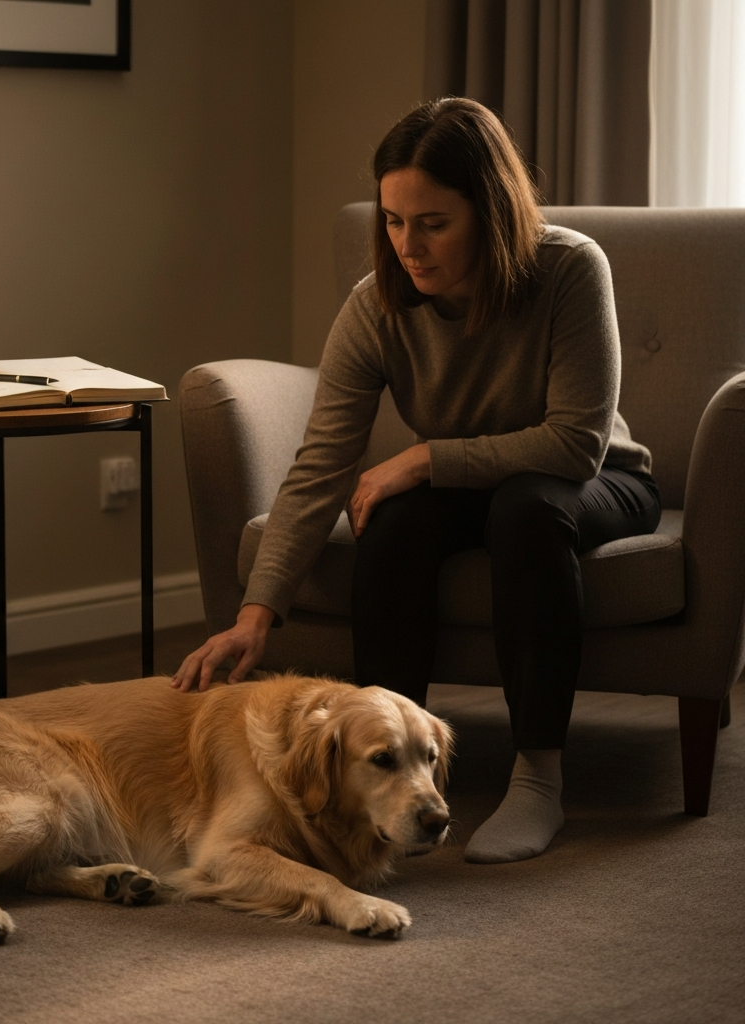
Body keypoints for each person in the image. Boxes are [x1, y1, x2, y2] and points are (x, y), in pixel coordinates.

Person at [171, 97, 660, 864]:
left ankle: (538, 779)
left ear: (490, 212)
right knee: (390, 523)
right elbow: (321, 464)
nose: (408, 244)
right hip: (485, 491)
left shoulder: (568, 268)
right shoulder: (376, 306)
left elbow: (574, 444)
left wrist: (427, 458)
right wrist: (257, 612)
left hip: (597, 483)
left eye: (433, 222)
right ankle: (391, 773)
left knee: (526, 510)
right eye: (395, 221)